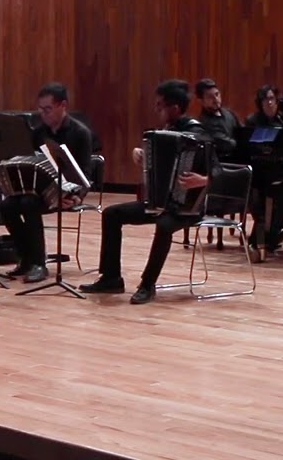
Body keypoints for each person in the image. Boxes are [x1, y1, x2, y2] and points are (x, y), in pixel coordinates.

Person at [80, 79, 214, 304]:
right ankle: (111, 277)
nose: (157, 109)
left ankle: (148, 284)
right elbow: (157, 165)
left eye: (160, 105)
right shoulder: (164, 131)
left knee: (164, 224)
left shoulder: (198, 134)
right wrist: (142, 155)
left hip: (188, 207)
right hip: (159, 202)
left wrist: (203, 180)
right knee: (112, 214)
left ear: (175, 108)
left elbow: (220, 172)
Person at [0, 83, 94, 283]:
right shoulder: (39, 133)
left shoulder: (80, 133)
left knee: (29, 204)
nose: (43, 114)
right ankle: (26, 258)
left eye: (48, 109)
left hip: (66, 192)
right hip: (38, 190)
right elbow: (29, 162)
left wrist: (76, 197)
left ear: (63, 105)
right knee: (7, 205)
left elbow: (85, 175)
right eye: (40, 109)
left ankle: (39, 263)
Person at [245, 84, 283, 253]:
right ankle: (262, 236)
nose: (269, 103)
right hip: (258, 172)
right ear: (260, 103)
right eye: (265, 99)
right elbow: (251, 150)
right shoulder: (252, 121)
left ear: (276, 101)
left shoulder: (282, 122)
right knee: (259, 196)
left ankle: (274, 231)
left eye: (272, 99)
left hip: (278, 171)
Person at [195, 78, 242, 160]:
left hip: (239, 156)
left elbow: (242, 132)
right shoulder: (204, 123)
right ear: (201, 101)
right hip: (224, 164)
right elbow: (227, 145)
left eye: (217, 94)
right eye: (210, 97)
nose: (216, 99)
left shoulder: (229, 113)